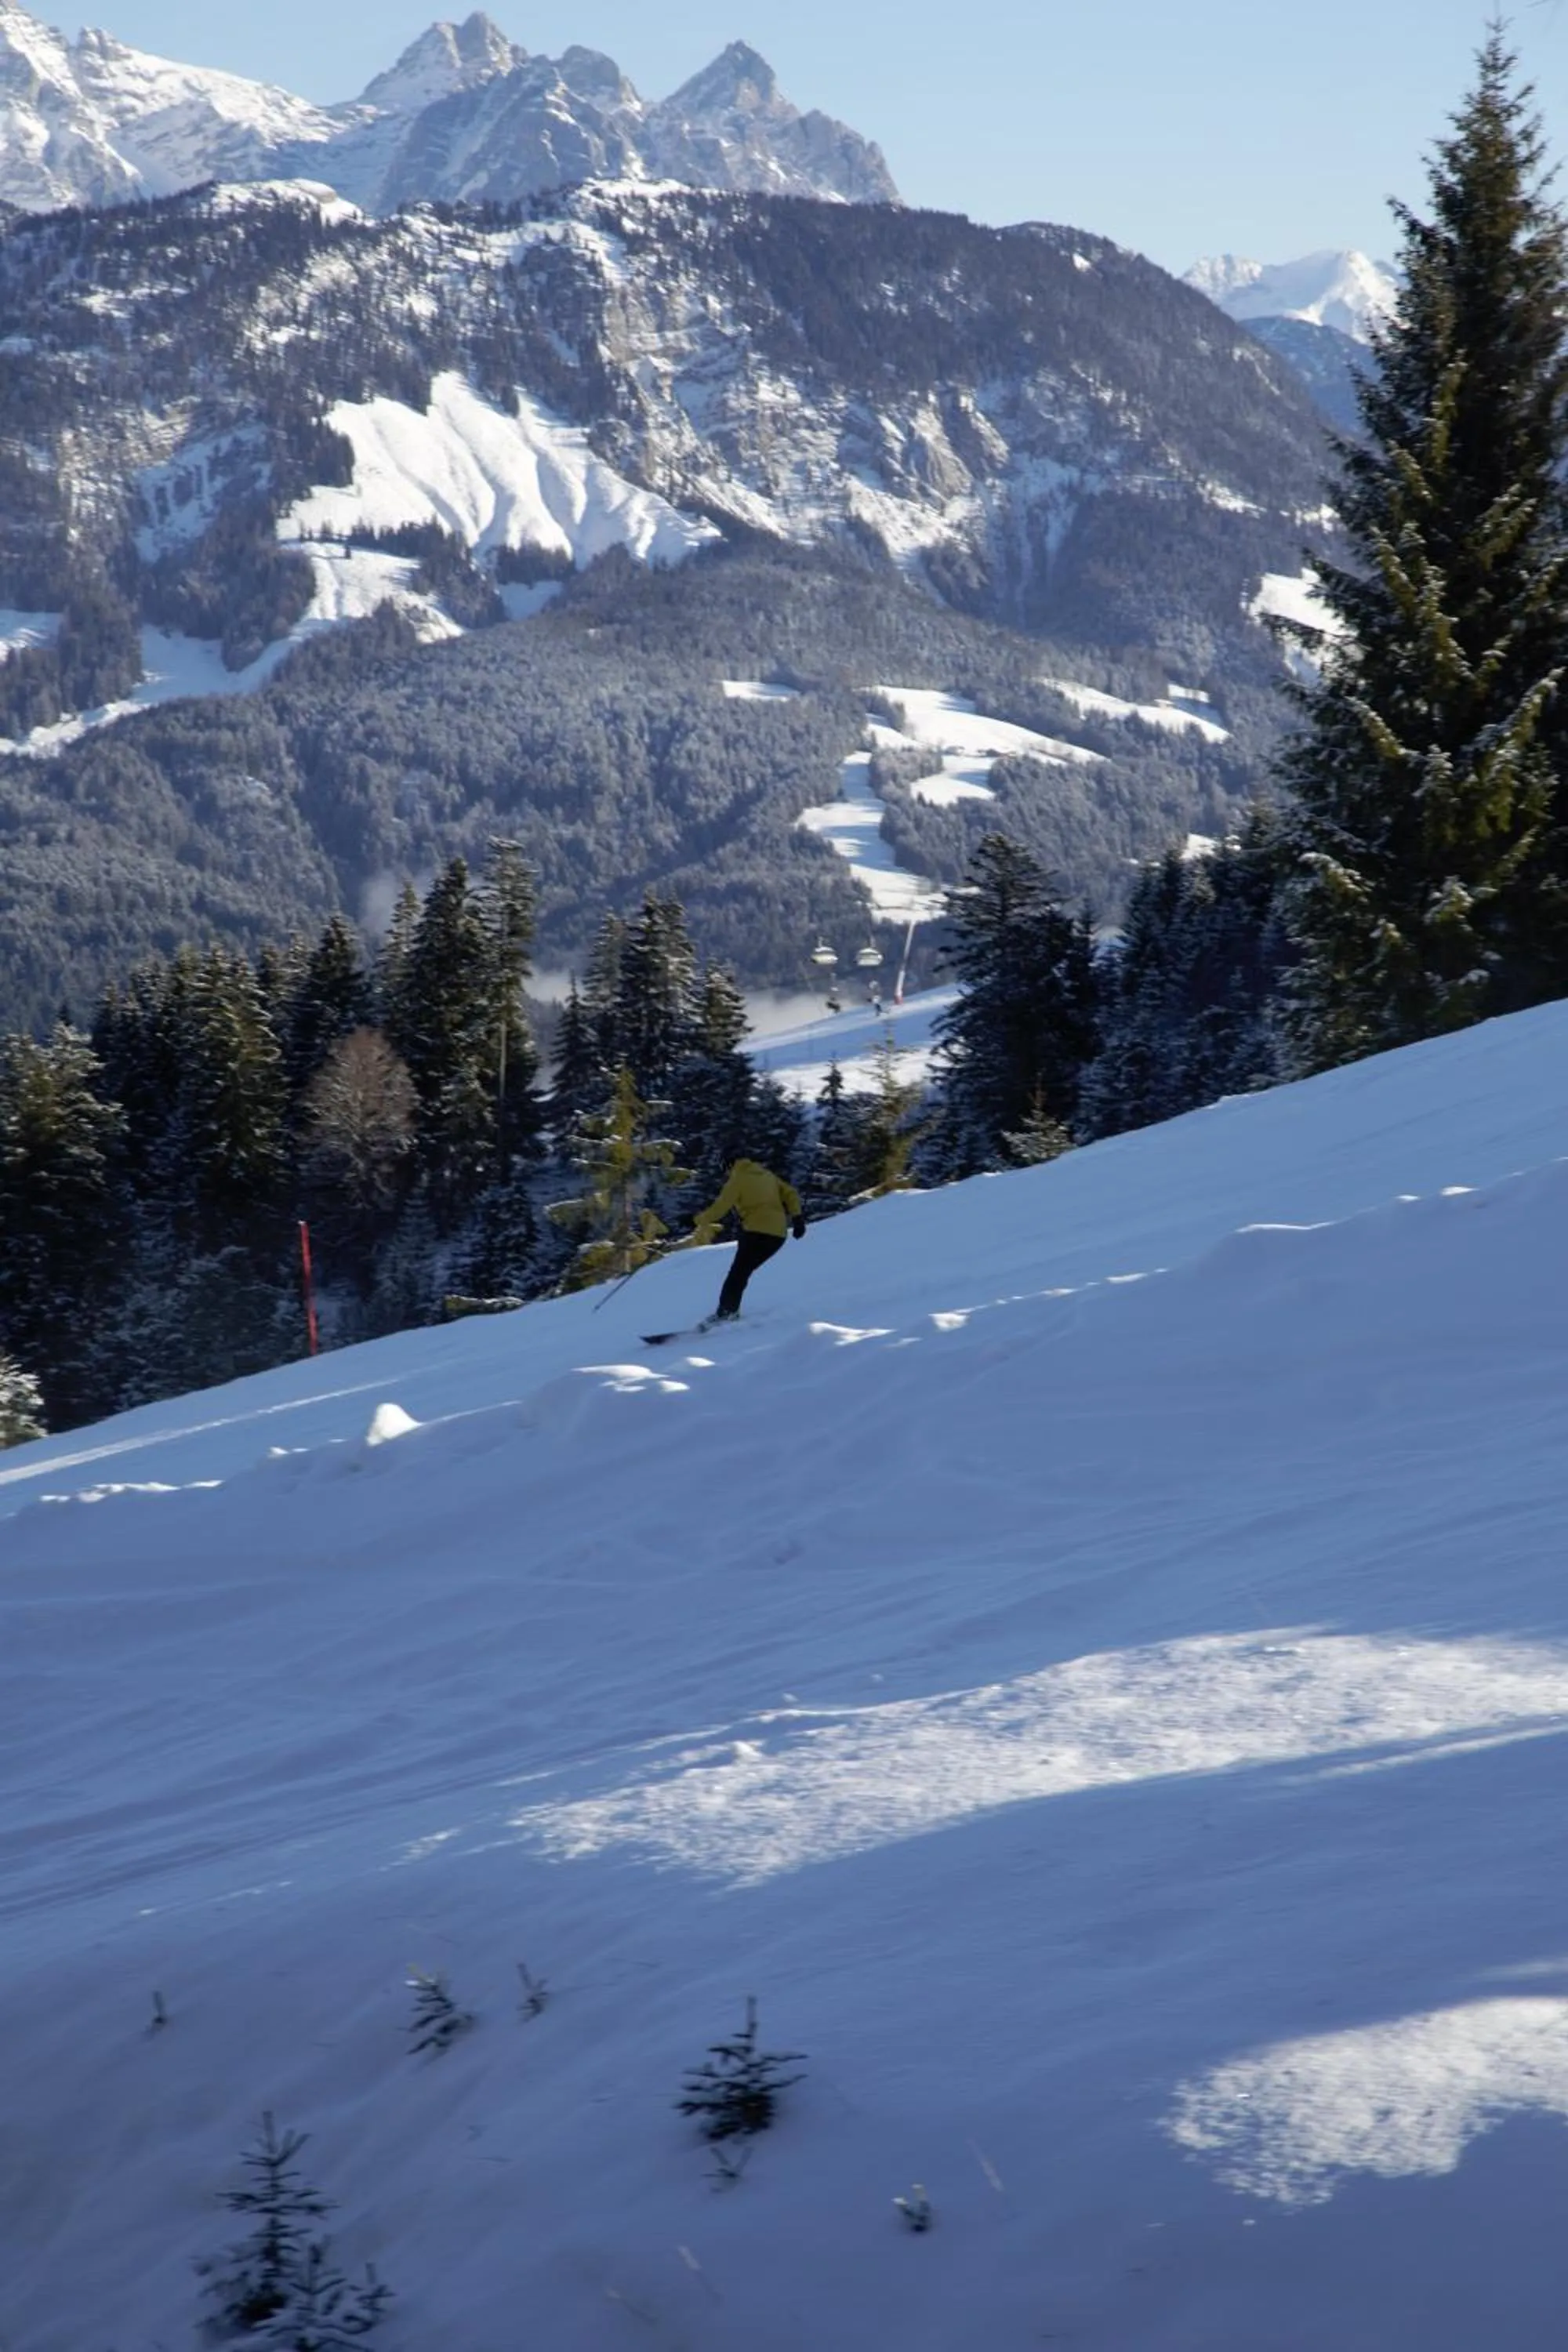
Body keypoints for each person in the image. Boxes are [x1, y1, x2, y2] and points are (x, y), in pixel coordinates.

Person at [692, 1157, 805, 1321]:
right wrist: (797, 1218)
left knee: (738, 1274)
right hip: (778, 1236)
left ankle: (727, 1313)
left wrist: (695, 1220)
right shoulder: (767, 1175)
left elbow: (719, 1208)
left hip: (756, 1233)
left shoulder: (737, 1179)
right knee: (742, 1272)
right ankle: (729, 1311)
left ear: (729, 1165)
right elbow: (791, 1193)